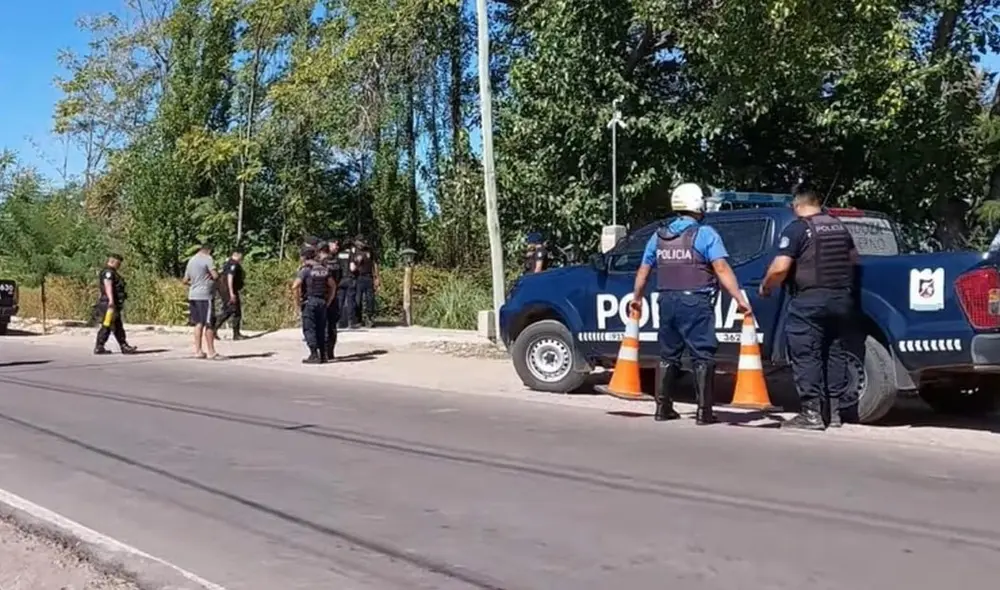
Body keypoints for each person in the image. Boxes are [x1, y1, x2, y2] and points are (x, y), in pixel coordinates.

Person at [630, 183, 752, 425]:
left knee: (668, 355)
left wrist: (637, 298)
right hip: (695, 300)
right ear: (698, 205)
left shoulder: (659, 235)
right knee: (703, 355)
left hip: (666, 300)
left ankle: (662, 408)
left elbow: (643, 270)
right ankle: (704, 412)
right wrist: (739, 298)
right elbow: (721, 268)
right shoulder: (705, 234)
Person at [759, 182, 858, 430]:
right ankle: (834, 414)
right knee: (834, 353)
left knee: (806, 355)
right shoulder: (840, 227)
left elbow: (780, 268)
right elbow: (854, 261)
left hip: (810, 301)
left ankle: (811, 415)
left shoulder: (797, 229)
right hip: (841, 299)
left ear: (797, 204)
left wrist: (766, 285)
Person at [292, 246, 337, 363]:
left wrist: (298, 302)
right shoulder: (323, 268)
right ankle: (323, 355)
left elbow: (295, 286)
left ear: (304, 257)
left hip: (310, 302)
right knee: (321, 328)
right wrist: (329, 301)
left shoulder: (305, 270)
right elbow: (333, 285)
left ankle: (314, 354)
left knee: (309, 328)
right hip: (322, 302)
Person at [93, 253, 138, 355]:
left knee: (114, 325)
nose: (119, 266)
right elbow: (108, 286)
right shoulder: (108, 272)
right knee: (108, 325)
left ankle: (119, 346)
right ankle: (105, 346)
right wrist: (111, 301)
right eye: (118, 263)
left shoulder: (111, 272)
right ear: (113, 261)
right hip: (109, 304)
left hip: (110, 303)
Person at [182, 243, 221, 359]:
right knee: (209, 323)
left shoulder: (191, 260)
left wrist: (194, 284)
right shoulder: (208, 259)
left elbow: (185, 280)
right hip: (205, 295)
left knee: (198, 324)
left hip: (193, 295)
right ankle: (211, 351)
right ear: (208, 250)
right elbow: (215, 276)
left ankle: (198, 351)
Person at [214, 248, 245, 340]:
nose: (242, 257)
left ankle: (236, 333)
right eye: (241, 255)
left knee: (236, 311)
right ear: (237, 254)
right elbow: (230, 277)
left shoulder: (228, 263)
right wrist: (231, 293)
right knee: (230, 310)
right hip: (228, 290)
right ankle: (213, 328)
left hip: (228, 290)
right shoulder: (233, 264)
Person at [350, 235, 379, 328]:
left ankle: (369, 319)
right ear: (357, 242)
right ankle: (358, 319)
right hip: (358, 277)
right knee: (358, 300)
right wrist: (357, 261)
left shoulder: (369, 250)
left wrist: (377, 277)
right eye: (361, 241)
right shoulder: (353, 251)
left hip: (369, 277)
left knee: (370, 299)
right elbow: (351, 266)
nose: (363, 243)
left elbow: (375, 264)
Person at [324, 240, 345, 359]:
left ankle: (325, 351)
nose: (337, 246)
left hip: (326, 296)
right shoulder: (337, 261)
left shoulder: (322, 262)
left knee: (326, 325)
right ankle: (330, 351)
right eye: (334, 244)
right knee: (332, 325)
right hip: (335, 295)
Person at [337, 238, 356, 328]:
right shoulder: (351, 254)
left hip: (340, 280)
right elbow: (352, 268)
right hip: (349, 278)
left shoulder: (339, 254)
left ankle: (338, 321)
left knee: (340, 301)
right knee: (350, 301)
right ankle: (350, 322)